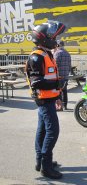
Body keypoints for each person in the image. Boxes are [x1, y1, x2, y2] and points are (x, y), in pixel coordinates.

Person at [25, 20, 65, 179]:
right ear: (45, 39)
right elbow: (37, 82)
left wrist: (58, 95)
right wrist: (57, 83)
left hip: (48, 98)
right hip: (43, 100)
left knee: (42, 130)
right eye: (54, 37)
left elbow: (50, 77)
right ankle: (46, 166)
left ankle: (39, 161)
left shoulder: (47, 53)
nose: (56, 40)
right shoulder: (37, 57)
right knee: (52, 131)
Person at [53, 39, 71, 110]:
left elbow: (55, 65)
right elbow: (69, 66)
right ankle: (65, 106)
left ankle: (59, 107)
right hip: (65, 75)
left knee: (58, 92)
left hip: (59, 75)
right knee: (65, 91)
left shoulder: (57, 53)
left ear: (57, 45)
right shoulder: (67, 53)